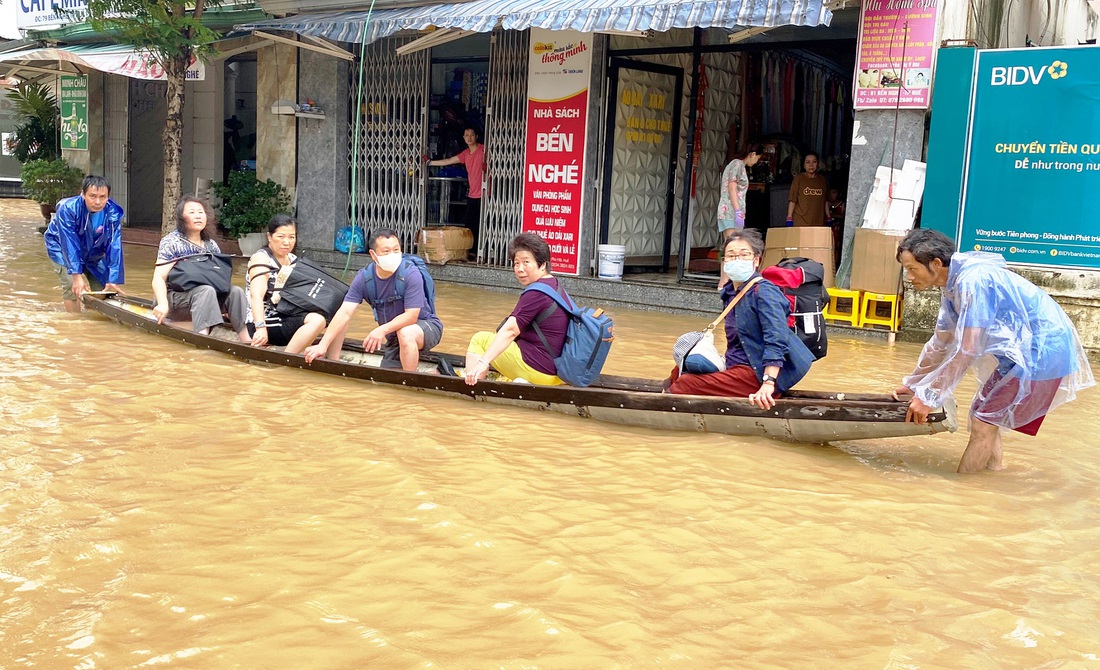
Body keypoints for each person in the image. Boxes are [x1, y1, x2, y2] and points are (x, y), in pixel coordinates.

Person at [891, 229, 1095, 473]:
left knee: (983, 422)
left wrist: (929, 397)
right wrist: (914, 384)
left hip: (1041, 352)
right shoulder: (952, 286)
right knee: (984, 414)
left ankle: (964, 492)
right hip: (1026, 353)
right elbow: (940, 343)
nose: (909, 277)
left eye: (912, 269)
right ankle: (991, 477)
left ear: (936, 263)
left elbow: (967, 350)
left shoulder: (972, 281)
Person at [668, 229, 814, 409]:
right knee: (679, 370)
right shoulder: (730, 292)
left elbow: (777, 339)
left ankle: (663, 408)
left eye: (744, 255)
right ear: (724, 262)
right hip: (736, 364)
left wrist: (768, 383)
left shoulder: (765, 292)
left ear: (756, 260)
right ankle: (664, 393)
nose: (737, 260)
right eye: (731, 255)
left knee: (687, 384)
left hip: (758, 372)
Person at [304, 228, 443, 372]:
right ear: (373, 255)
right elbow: (345, 312)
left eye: (396, 250)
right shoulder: (364, 278)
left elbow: (411, 316)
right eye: (386, 251)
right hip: (394, 337)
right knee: (386, 382)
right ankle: (438, 373)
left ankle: (412, 383)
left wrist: (381, 330)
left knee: (406, 332)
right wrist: (323, 345)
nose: (393, 255)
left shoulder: (410, 273)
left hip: (426, 327)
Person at [464, 233, 567, 387]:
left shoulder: (536, 293)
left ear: (543, 265)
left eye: (526, 262)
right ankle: (521, 381)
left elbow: (510, 330)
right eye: (516, 263)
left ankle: (472, 386)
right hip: (557, 372)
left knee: (479, 340)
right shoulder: (554, 285)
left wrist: (483, 362)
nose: (520, 269)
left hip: (539, 371)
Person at [151, 195, 250, 342]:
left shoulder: (211, 245)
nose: (197, 216)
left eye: (200, 212)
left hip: (206, 298)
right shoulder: (172, 242)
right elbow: (158, 278)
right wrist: (162, 304)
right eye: (191, 212)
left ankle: (247, 340)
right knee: (205, 291)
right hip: (175, 300)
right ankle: (202, 339)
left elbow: (219, 278)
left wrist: (230, 309)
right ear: (181, 217)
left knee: (236, 291)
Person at [246, 214, 336, 355]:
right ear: (269, 237)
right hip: (265, 321)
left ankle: (333, 361)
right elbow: (256, 296)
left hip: (287, 315)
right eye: (281, 237)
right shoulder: (261, 258)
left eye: (291, 237)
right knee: (317, 320)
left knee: (338, 311)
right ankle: (286, 359)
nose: (287, 242)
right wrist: (260, 327)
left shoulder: (293, 260)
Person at [43, 175, 125, 312]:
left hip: (93, 250)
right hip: (61, 247)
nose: (98, 201)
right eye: (93, 196)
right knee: (71, 284)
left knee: (103, 288)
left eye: (103, 197)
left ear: (108, 197)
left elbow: (114, 245)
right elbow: (68, 242)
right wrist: (76, 275)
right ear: (83, 194)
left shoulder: (112, 213)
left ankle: (91, 318)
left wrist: (113, 278)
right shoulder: (68, 208)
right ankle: (75, 323)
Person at [427, 125, 485, 255]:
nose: (469, 137)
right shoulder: (465, 154)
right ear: (464, 138)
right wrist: (430, 163)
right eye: (467, 135)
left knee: (483, 223)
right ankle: (472, 251)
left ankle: (482, 251)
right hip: (472, 194)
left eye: (471, 135)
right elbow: (449, 160)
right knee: (470, 224)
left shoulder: (484, 150)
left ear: (476, 136)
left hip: (486, 194)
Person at [716, 143, 764, 237]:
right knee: (734, 243)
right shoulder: (738, 164)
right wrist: (738, 210)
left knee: (729, 244)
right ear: (753, 154)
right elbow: (732, 188)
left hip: (729, 212)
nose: (756, 162)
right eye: (757, 158)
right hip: (731, 212)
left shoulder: (736, 164)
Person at [787, 151, 829, 228]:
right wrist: (789, 218)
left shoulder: (822, 180)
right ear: (804, 165)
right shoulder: (798, 179)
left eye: (814, 162)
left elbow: (825, 200)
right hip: (801, 221)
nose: (811, 165)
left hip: (818, 222)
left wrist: (828, 217)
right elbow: (793, 200)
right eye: (808, 162)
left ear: (818, 164)